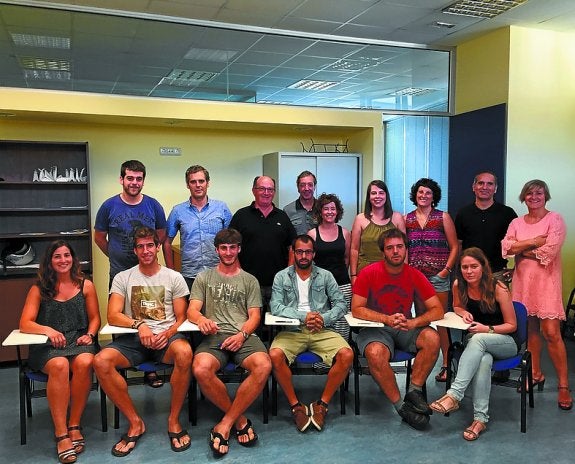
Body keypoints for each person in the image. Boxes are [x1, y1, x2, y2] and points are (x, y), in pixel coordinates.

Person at [93, 227, 193, 457]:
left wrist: (166, 334)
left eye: (150, 245)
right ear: (135, 250)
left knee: (185, 353)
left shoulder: (173, 277)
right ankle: (135, 422)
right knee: (101, 361)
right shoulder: (123, 277)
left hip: (167, 338)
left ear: (157, 247)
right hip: (134, 339)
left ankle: (173, 420)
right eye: (140, 247)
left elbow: (181, 318)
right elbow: (113, 315)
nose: (146, 250)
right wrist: (139, 325)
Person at [187, 228, 271, 457]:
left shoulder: (249, 280)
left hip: (243, 336)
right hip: (214, 337)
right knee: (200, 368)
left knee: (264, 365)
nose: (228, 252)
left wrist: (242, 335)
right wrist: (202, 320)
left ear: (239, 249)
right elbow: (192, 310)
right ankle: (240, 420)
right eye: (223, 248)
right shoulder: (204, 278)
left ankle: (224, 424)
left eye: (232, 247)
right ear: (216, 250)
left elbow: (255, 316)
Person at [351, 228, 443, 430]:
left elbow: (438, 310)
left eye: (400, 247)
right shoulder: (368, 273)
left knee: (432, 338)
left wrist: (414, 322)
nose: (395, 251)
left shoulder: (415, 275)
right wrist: (386, 318)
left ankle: (414, 392)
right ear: (383, 251)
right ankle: (402, 407)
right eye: (390, 248)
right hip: (375, 328)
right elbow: (356, 309)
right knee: (375, 353)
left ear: (406, 249)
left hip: (404, 326)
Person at [19, 240, 100, 464]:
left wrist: (90, 334)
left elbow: (95, 318)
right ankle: (61, 433)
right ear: (49, 261)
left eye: (67, 255)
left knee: (85, 362)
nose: (63, 260)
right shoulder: (38, 289)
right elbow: (25, 323)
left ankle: (74, 424)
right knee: (60, 364)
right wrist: (48, 330)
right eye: (57, 256)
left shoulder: (86, 285)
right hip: (48, 344)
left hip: (79, 339)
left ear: (73, 258)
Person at [429, 247, 519, 441]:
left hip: (504, 342)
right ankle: (480, 419)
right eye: (464, 267)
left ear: (483, 267)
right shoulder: (458, 285)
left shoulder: (498, 288)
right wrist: (463, 312)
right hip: (478, 347)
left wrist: (487, 329)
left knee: (477, 339)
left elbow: (512, 325)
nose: (469, 271)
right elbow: (457, 306)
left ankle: (455, 394)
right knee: (484, 360)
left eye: (474, 266)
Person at [94, 159, 169, 388]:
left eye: (139, 179)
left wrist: (146, 256)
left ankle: (150, 370)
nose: (134, 182)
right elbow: (99, 238)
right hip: (120, 273)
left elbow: (160, 235)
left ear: (143, 181)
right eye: (130, 178)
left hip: (148, 276)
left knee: (150, 318)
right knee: (119, 321)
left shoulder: (153, 205)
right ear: (121, 179)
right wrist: (116, 255)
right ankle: (120, 370)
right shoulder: (108, 206)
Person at [269, 234, 353, 432]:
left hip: (321, 329)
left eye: (308, 252)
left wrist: (324, 318)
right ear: (293, 252)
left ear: (314, 254)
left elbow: (341, 303)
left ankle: (321, 405)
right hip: (293, 330)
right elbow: (275, 306)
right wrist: (303, 317)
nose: (304, 256)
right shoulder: (282, 276)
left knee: (347, 354)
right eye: (299, 252)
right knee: (274, 355)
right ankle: (296, 406)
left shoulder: (325, 275)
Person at [502, 179, 572, 410]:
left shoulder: (555, 219)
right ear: (524, 196)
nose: (534, 197)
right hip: (523, 283)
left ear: (546, 196)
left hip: (546, 283)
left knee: (551, 333)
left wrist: (521, 248)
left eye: (539, 193)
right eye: (529, 193)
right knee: (530, 330)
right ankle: (535, 374)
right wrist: (533, 242)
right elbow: (506, 247)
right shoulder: (516, 222)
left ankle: (563, 385)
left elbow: (549, 252)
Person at [405, 178, 458, 383]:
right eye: (420, 192)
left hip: (438, 275)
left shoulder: (443, 217)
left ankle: (446, 364)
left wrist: (446, 270)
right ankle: (422, 362)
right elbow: (405, 248)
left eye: (428, 193)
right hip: (416, 278)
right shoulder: (407, 219)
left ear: (433, 196)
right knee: (421, 320)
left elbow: (454, 246)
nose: (424, 196)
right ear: (415, 195)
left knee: (440, 321)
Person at [229, 175, 297, 327]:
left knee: (279, 325)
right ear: (254, 190)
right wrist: (239, 272)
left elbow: (292, 247)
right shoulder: (241, 216)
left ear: (274, 192)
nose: (266, 193)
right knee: (251, 324)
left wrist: (288, 273)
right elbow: (231, 247)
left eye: (270, 189)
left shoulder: (282, 216)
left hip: (278, 284)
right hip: (249, 283)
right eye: (262, 189)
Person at [164, 165, 232, 289]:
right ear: (187, 185)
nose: (198, 185)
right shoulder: (178, 211)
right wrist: (171, 273)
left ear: (208, 183)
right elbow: (167, 243)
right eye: (193, 182)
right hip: (189, 276)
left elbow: (232, 241)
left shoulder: (221, 208)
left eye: (201, 181)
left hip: (218, 273)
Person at [306, 192, 352, 346]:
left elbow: (347, 258)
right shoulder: (312, 234)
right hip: (319, 287)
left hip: (342, 284)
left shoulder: (345, 233)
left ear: (338, 211)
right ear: (320, 212)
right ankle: (322, 357)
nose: (329, 212)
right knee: (320, 322)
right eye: (326, 209)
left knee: (342, 323)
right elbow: (309, 261)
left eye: (333, 208)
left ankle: (342, 355)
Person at [455, 171, 517, 281]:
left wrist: (516, 268)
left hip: (498, 274)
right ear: (474, 187)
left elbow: (518, 244)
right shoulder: (463, 213)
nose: (485, 187)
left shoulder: (507, 213)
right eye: (481, 183)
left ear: (495, 188)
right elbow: (458, 245)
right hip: (469, 274)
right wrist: (458, 270)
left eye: (490, 184)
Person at [350, 180, 405, 285]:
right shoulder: (360, 219)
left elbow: (404, 248)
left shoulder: (397, 218)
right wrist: (353, 275)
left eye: (381, 193)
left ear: (386, 196)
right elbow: (354, 249)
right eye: (373, 193)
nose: (377, 196)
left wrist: (404, 272)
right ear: (369, 197)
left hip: (392, 272)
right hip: (365, 273)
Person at [283, 170, 318, 235]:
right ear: (298, 188)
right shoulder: (287, 210)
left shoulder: (322, 208)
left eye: (310, 185)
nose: (306, 188)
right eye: (302, 185)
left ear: (314, 187)